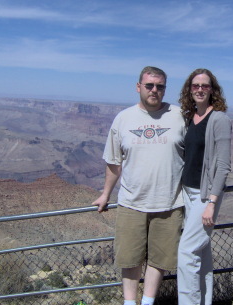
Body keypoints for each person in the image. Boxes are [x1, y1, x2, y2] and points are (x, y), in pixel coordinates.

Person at [92, 66, 185, 305]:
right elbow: (114, 162)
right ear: (138, 87)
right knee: (130, 258)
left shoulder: (179, 115)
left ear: (165, 88)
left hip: (169, 202)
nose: (155, 90)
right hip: (131, 202)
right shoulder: (123, 119)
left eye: (160, 86)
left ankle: (148, 302)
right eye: (149, 85)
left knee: (159, 259)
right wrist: (105, 194)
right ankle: (130, 302)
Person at [177, 68, 232, 305]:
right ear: (190, 89)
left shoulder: (219, 119)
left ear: (213, 90)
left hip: (204, 197)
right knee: (201, 254)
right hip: (187, 193)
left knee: (187, 253)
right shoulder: (189, 118)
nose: (200, 89)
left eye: (205, 85)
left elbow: (223, 165)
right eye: (196, 85)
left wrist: (211, 202)